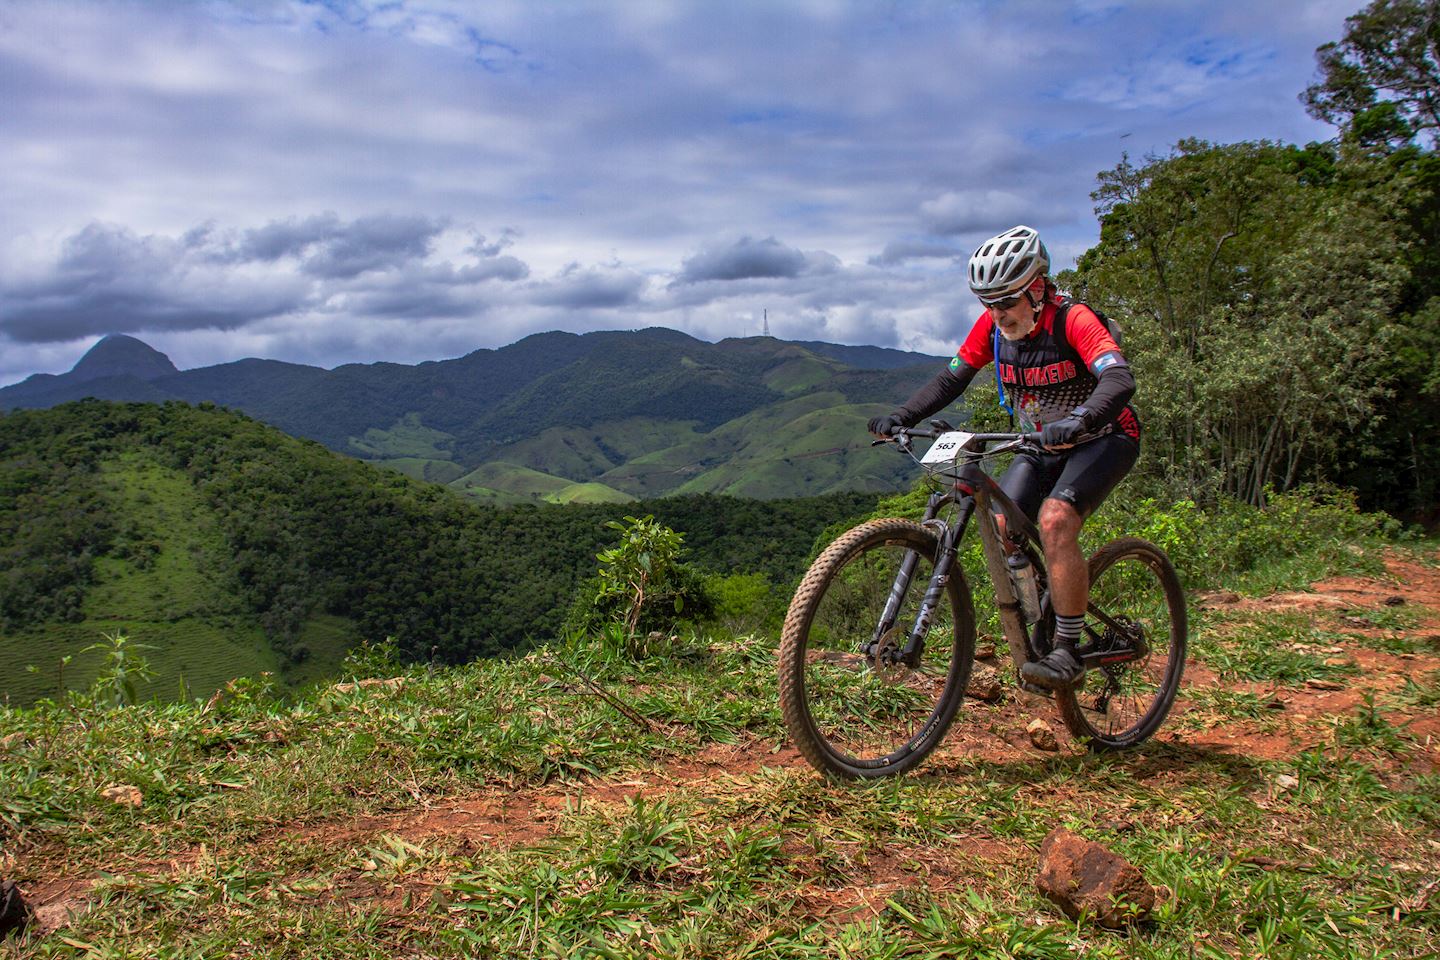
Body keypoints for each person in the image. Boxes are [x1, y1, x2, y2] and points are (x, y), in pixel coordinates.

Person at [867, 225, 1140, 689]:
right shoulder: (993, 329)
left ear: (1036, 289)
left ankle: (1067, 650)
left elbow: (1118, 380)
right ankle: (1045, 619)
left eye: (1007, 301)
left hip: (1104, 439)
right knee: (1002, 528)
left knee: (1055, 521)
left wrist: (1081, 419)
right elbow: (952, 379)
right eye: (987, 303)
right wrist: (902, 414)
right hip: (1039, 445)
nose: (997, 314)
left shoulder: (1072, 320)